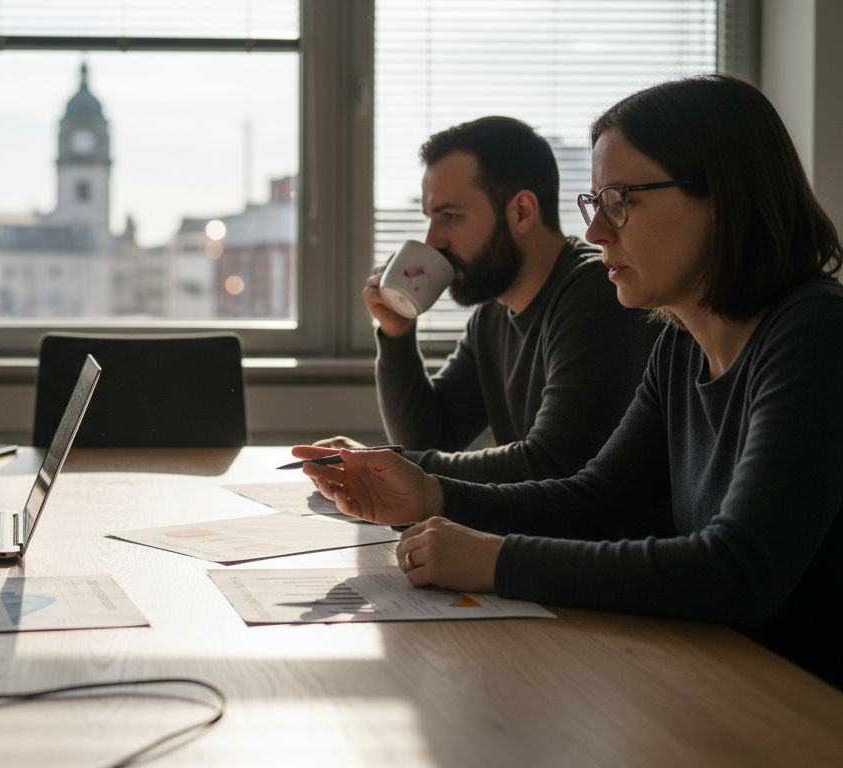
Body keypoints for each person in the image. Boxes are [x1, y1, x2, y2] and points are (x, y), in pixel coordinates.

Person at [295, 75, 843, 688]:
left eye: (621, 200)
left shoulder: (817, 331)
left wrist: (499, 560)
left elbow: (737, 571)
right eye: (595, 203)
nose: (597, 231)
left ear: (723, 195)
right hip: (717, 673)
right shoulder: (679, 347)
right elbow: (597, 500)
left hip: (802, 706)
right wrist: (431, 496)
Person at [318, 117, 659, 483]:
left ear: (522, 212)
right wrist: (396, 333)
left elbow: (553, 465)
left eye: (450, 216)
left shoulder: (596, 294)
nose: (433, 241)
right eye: (431, 218)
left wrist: (381, 466)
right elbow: (431, 437)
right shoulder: (493, 313)